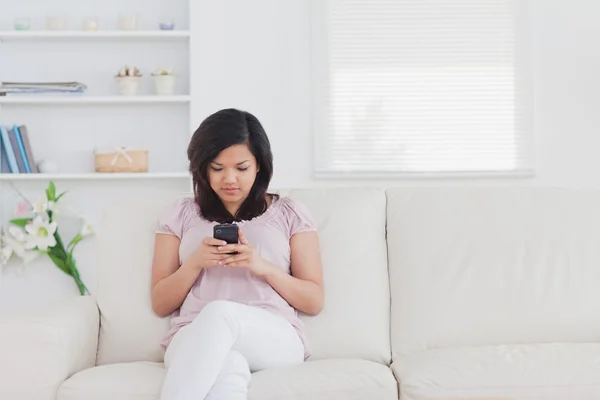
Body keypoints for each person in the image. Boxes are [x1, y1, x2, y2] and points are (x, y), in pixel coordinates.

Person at [151, 108, 324, 400]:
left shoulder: (290, 212)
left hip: (273, 335)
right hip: (191, 335)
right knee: (229, 366)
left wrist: (261, 266)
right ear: (202, 168)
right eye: (217, 168)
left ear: (259, 167)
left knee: (220, 313)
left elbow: (314, 300)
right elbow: (160, 303)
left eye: (241, 168)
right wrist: (194, 263)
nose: (230, 179)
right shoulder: (179, 213)